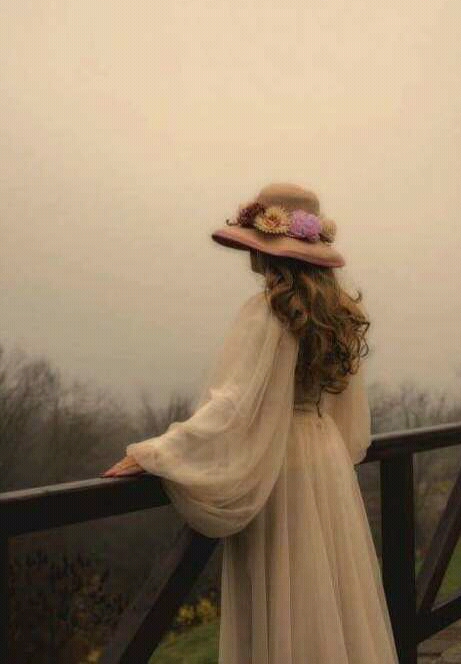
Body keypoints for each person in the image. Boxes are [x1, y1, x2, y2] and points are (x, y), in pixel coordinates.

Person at [102, 182, 400, 664]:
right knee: (325, 597)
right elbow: (347, 418)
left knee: (285, 597)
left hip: (280, 467)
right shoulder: (338, 313)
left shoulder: (269, 312)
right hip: (325, 461)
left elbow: (233, 406)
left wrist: (158, 452)